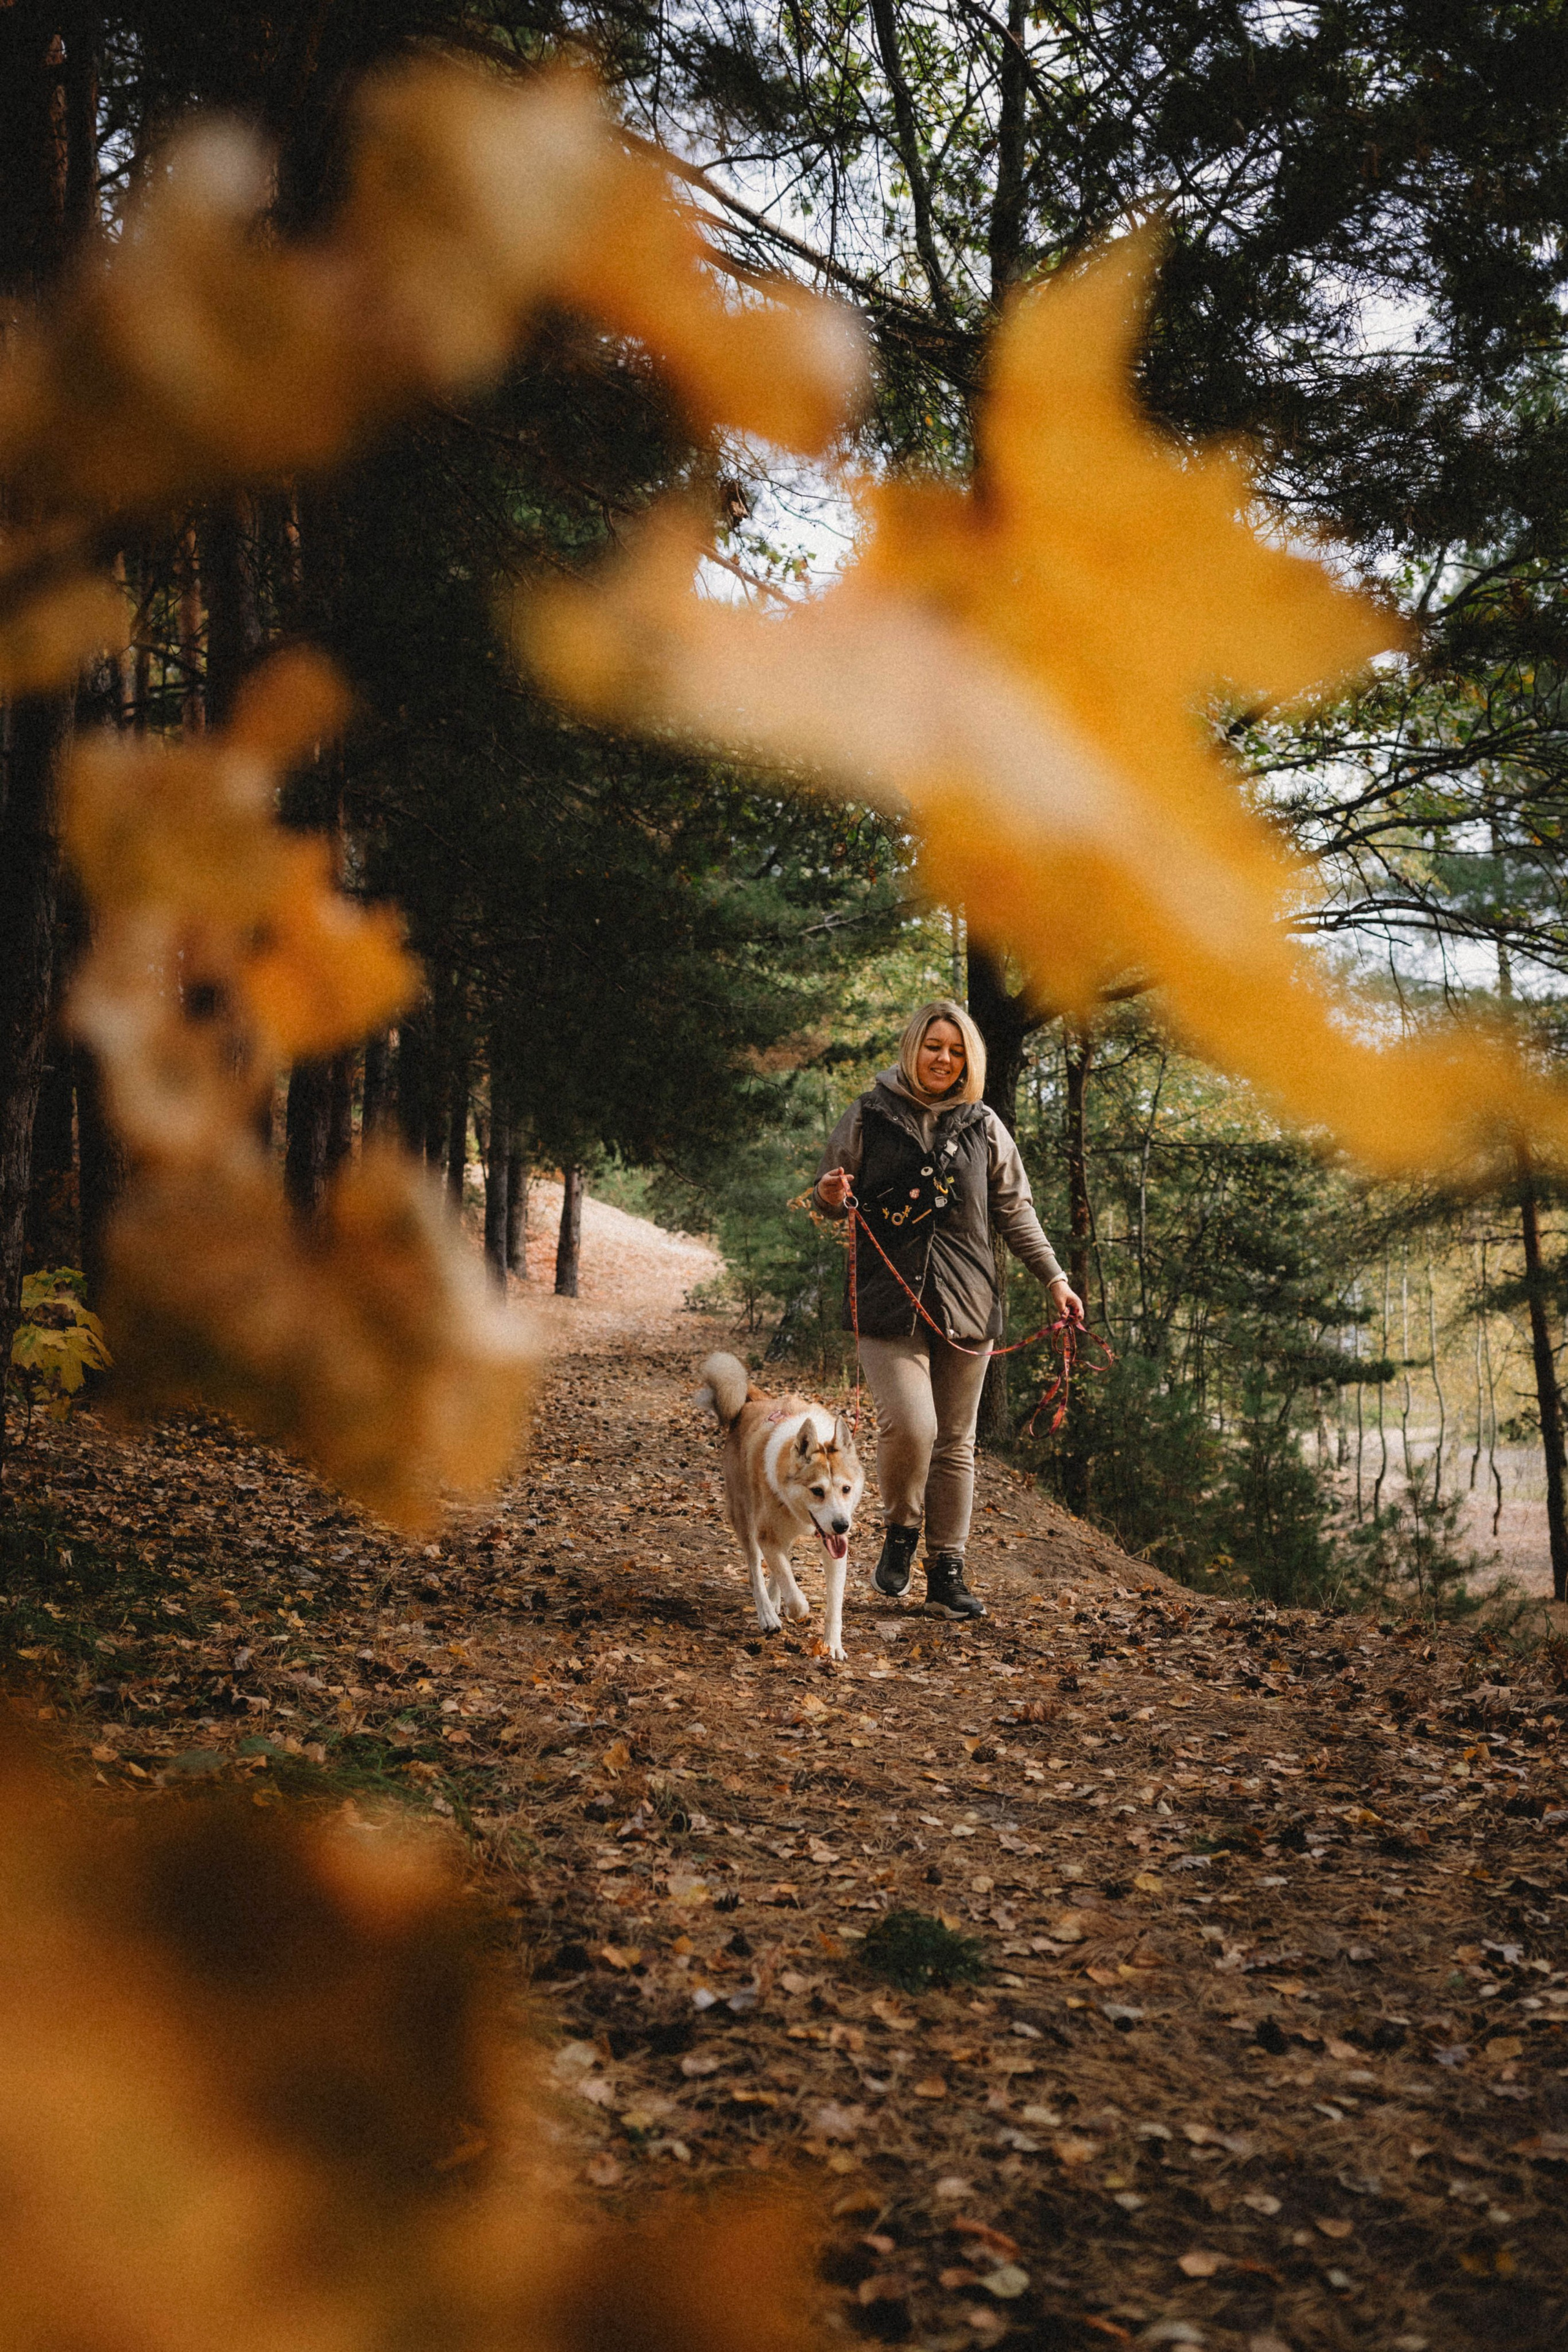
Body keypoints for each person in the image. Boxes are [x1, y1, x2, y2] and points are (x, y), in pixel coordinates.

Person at [813, 998, 1083, 1620]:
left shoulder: (983, 1125)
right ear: (915, 1048)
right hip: (887, 1299)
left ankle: (946, 1572)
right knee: (913, 1426)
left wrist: (1056, 1279)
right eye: (934, 1046)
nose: (944, 1059)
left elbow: (1015, 1211)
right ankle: (901, 1529)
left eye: (957, 1051)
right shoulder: (868, 1114)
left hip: (967, 1300)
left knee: (956, 1442)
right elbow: (831, 1193)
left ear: (970, 1060)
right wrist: (828, 1194)